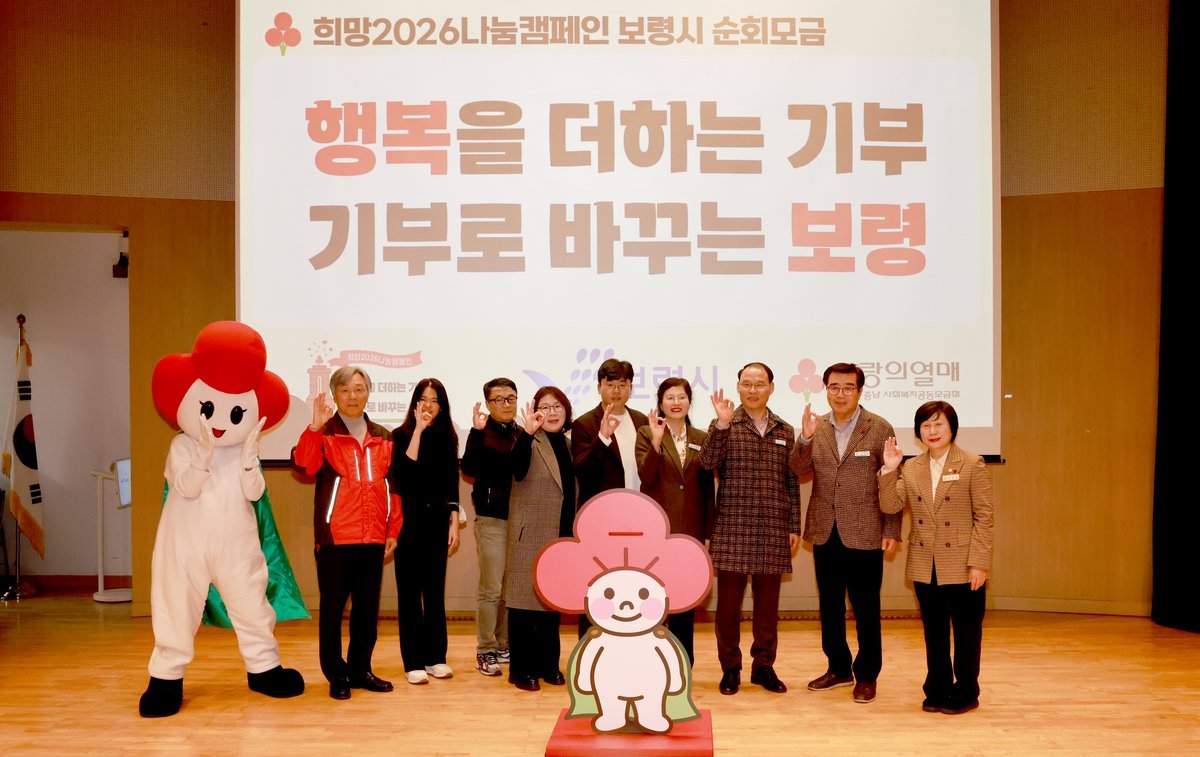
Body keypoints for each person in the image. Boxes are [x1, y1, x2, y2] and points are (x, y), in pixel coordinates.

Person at [791, 362, 901, 705]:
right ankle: (838, 667)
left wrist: (892, 528)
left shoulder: (879, 427)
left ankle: (867, 675)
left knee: (866, 607)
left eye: (848, 388)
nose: (840, 394)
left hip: (866, 531)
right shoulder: (817, 426)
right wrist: (805, 438)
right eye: (834, 387)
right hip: (825, 530)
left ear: (859, 390)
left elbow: (892, 479)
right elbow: (798, 469)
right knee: (830, 606)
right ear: (826, 390)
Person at [293, 366, 400, 700]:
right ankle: (336, 674)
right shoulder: (324, 433)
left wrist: (392, 529)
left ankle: (360, 669)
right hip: (336, 538)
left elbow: (393, 488)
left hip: (373, 537)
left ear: (368, 392)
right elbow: (304, 465)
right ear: (335, 394)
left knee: (367, 611)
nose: (352, 396)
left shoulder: (384, 436)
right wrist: (313, 426)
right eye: (345, 390)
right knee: (332, 611)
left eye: (359, 389)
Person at [879, 401, 993, 715]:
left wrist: (979, 563)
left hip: (963, 563)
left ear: (952, 428)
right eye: (926, 425)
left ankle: (966, 691)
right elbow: (890, 506)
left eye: (939, 424)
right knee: (935, 631)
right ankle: (938, 687)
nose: (932, 431)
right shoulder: (911, 467)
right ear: (918, 432)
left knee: (967, 631)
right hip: (924, 561)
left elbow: (984, 518)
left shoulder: (971, 463)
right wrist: (889, 469)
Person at [699, 362, 801, 695]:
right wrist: (721, 425)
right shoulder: (726, 424)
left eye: (759, 384)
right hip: (733, 526)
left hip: (773, 526)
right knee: (728, 607)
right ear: (738, 387)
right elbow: (707, 463)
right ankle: (730, 668)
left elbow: (791, 481)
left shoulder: (785, 430)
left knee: (767, 608)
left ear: (771, 387)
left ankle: (763, 667)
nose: (753, 390)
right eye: (747, 384)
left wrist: (793, 525)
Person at [634, 377, 716, 665]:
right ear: (661, 403)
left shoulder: (702, 437)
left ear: (689, 402)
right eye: (670, 397)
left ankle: (682, 659)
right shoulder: (647, 433)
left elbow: (707, 489)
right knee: (654, 597)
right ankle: (653, 659)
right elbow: (646, 477)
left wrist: (708, 532)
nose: (676, 402)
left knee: (684, 596)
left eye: (681, 397)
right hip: (657, 530)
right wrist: (657, 442)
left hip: (691, 530)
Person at [504, 386, 576, 692]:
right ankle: (521, 670)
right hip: (530, 533)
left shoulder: (570, 445)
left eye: (557, 406)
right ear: (535, 412)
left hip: (560, 535)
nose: (552, 412)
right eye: (545, 407)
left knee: (550, 604)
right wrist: (527, 434)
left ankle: (548, 665)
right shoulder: (529, 440)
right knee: (523, 605)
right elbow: (516, 469)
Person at [390, 378, 461, 685]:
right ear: (415, 404)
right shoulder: (400, 435)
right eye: (424, 399)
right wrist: (418, 431)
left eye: (434, 400)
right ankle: (413, 661)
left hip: (436, 522)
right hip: (407, 522)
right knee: (409, 594)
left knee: (434, 592)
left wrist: (454, 519)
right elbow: (405, 477)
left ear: (441, 406)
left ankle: (436, 658)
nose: (429, 406)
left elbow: (451, 482)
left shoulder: (447, 437)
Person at [460, 377, 521, 677]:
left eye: (510, 398)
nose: (505, 404)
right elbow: (469, 469)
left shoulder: (523, 433)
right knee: (492, 589)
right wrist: (475, 431)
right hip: (492, 520)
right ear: (488, 404)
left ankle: (504, 645)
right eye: (498, 399)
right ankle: (485, 649)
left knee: (510, 588)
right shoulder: (481, 434)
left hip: (520, 521)